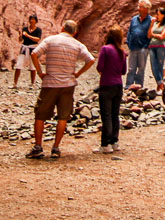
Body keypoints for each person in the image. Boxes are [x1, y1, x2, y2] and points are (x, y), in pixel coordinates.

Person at [27, 19, 95, 159]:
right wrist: (78, 73)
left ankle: (38, 147)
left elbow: (34, 54)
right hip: (68, 85)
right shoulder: (77, 44)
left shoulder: (50, 40)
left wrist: (40, 72)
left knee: (40, 115)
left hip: (50, 83)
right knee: (63, 117)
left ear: (62, 27)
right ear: (75, 32)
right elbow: (91, 60)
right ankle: (56, 148)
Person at [96, 27, 127, 153]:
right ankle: (115, 141)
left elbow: (100, 66)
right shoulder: (122, 52)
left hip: (106, 84)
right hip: (118, 85)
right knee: (115, 114)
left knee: (106, 115)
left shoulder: (105, 49)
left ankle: (105, 144)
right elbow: (124, 71)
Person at [125, 0, 152, 90]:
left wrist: (146, 46)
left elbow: (151, 34)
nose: (138, 8)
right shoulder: (134, 19)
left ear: (146, 9)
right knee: (131, 68)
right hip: (133, 47)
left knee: (141, 68)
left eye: (140, 7)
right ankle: (128, 86)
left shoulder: (151, 20)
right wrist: (128, 42)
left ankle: (139, 86)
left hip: (143, 48)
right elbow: (130, 31)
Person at [13, 15, 43, 88]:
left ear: (36, 21)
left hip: (33, 48)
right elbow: (21, 40)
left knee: (32, 66)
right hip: (24, 47)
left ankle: (33, 83)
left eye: (33, 19)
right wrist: (20, 36)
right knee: (19, 65)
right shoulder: (25, 29)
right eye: (30, 19)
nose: (31, 21)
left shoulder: (38, 30)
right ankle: (15, 84)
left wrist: (27, 35)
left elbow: (37, 39)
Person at [147, 8, 165, 93]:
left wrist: (153, 34)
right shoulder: (155, 23)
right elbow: (148, 35)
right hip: (152, 45)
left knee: (160, 65)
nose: (156, 16)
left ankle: (160, 86)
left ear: (163, 15)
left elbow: (162, 36)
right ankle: (161, 83)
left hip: (161, 46)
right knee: (153, 66)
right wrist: (151, 24)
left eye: (158, 14)